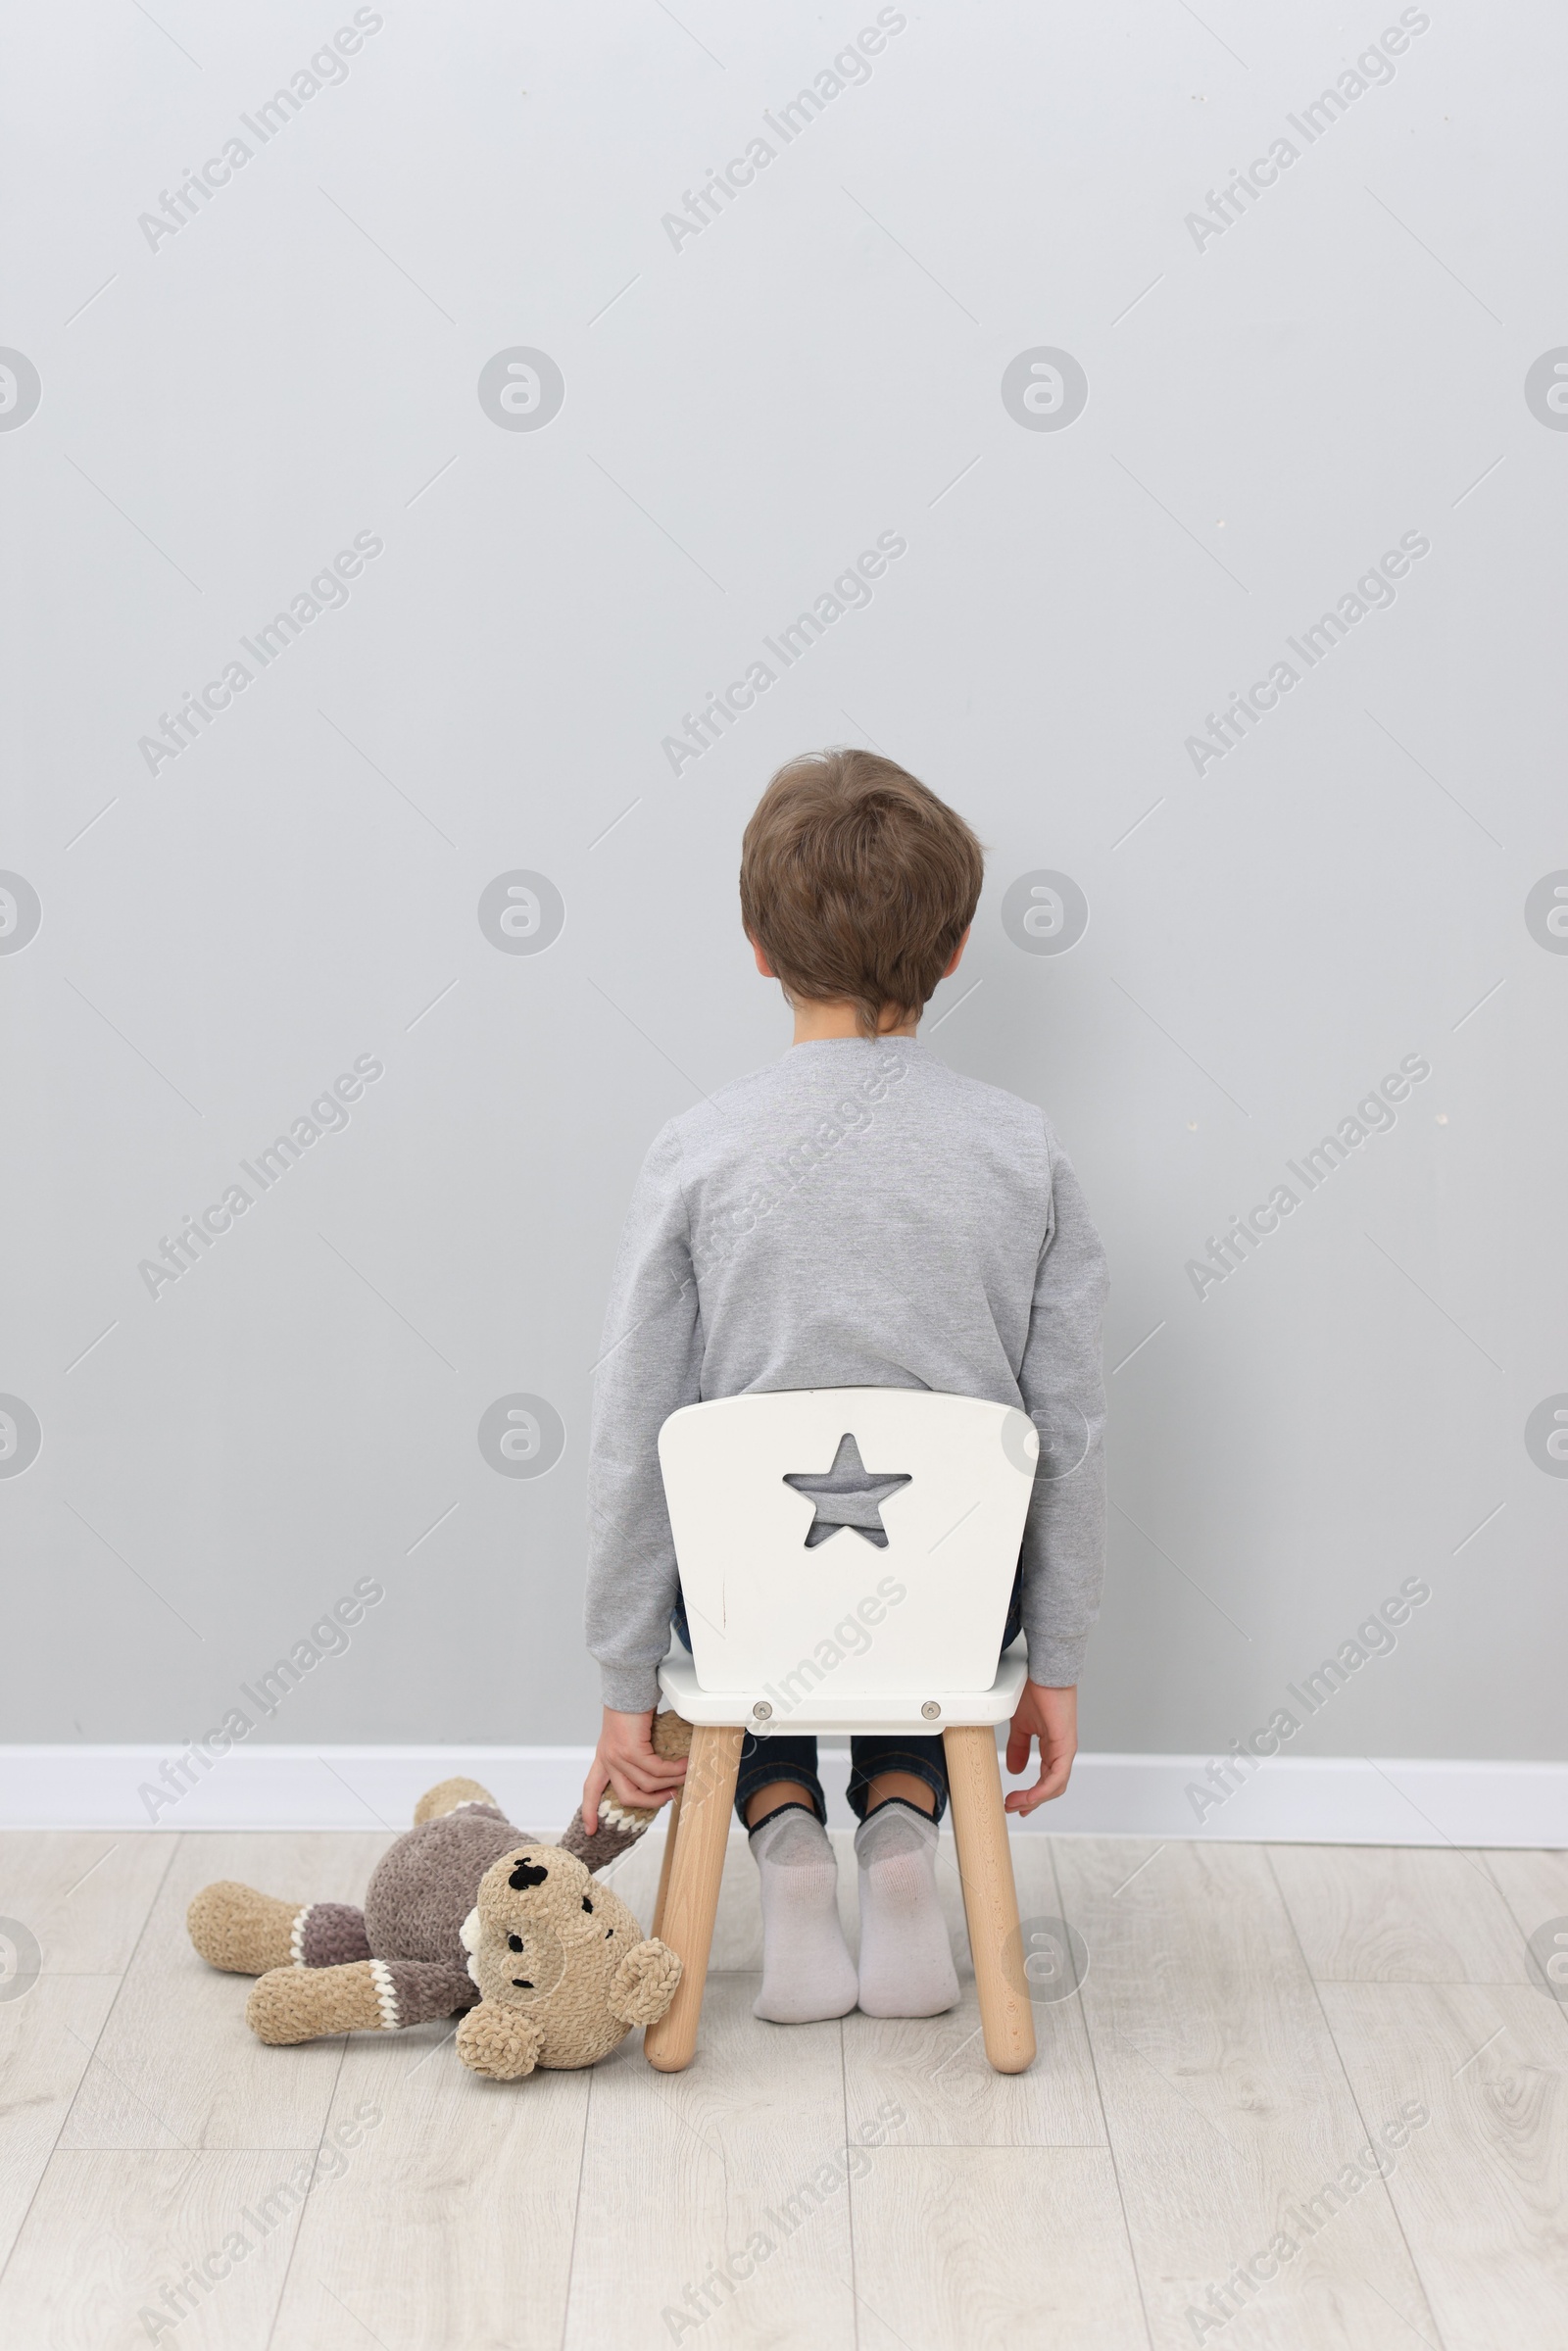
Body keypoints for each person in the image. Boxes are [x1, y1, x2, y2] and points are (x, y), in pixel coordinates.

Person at [581, 748, 1107, 2023]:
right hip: (953, 1608)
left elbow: (631, 1436)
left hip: (751, 1611)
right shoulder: (1021, 1153)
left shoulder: (698, 1152)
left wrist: (622, 1679)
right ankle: (901, 1832)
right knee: (927, 1566)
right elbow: (1070, 1436)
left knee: (755, 1561)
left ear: (758, 946)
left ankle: (783, 1842)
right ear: (957, 948)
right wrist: (1062, 1659)